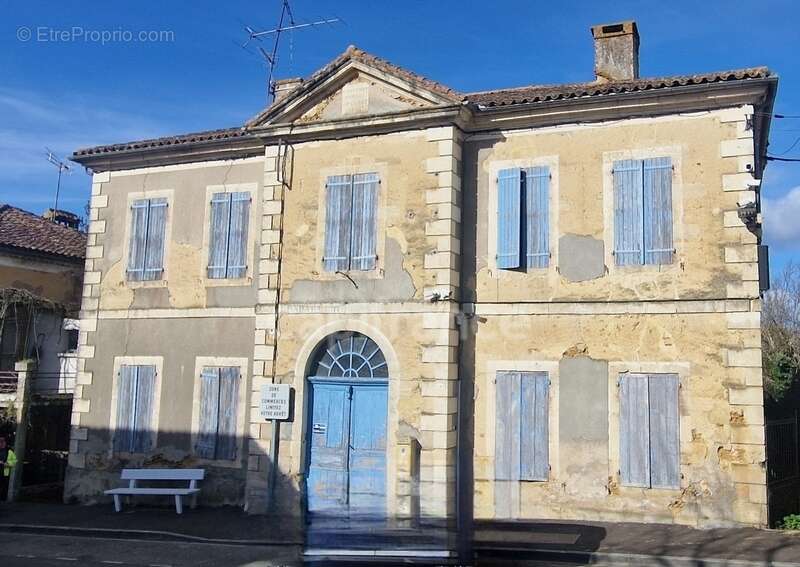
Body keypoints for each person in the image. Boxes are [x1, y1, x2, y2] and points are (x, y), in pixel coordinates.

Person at [0, 435, 16, 501]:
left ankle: (3, 499)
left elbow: (14, 461)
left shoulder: (9, 451)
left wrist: (8, 464)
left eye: (2, 441)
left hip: (5, 472)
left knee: (4, 487)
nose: (1, 442)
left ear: (5, 442)